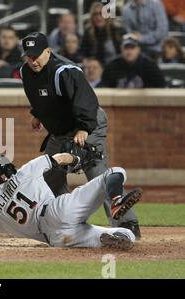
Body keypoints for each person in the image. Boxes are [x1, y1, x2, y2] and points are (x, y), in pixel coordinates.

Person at [18, 32, 141, 238]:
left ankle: (128, 225)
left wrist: (84, 128)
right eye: (28, 56)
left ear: (48, 51)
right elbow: (41, 96)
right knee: (49, 173)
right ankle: (69, 219)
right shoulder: (26, 71)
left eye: (36, 55)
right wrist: (37, 114)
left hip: (87, 121)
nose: (32, 60)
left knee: (96, 171)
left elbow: (86, 99)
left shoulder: (65, 71)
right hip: (60, 130)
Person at [0, 154, 142, 250]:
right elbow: (60, 158)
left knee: (120, 237)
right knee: (116, 172)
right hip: (57, 211)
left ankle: (106, 237)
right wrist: (77, 160)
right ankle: (115, 202)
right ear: (9, 168)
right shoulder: (25, 172)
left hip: (57, 239)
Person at [101, 35, 166, 88]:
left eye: (132, 48)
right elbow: (104, 87)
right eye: (126, 48)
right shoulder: (112, 66)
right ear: (121, 50)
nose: (129, 52)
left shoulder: (150, 66)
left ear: (138, 50)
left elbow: (161, 86)